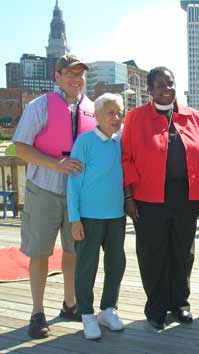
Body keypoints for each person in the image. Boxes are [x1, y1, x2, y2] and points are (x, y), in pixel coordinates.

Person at [121, 67, 199, 330]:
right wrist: (128, 196)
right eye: (160, 85)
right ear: (150, 90)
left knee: (183, 253)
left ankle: (180, 303)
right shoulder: (136, 118)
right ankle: (156, 307)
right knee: (153, 254)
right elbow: (125, 158)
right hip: (148, 199)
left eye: (170, 83)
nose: (167, 89)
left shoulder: (194, 117)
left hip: (186, 197)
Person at [13, 54, 96, 339]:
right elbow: (20, 148)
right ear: (57, 77)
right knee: (40, 252)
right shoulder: (39, 107)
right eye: (70, 74)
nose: (76, 79)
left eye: (80, 74)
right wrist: (55, 164)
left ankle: (70, 304)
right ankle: (37, 312)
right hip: (44, 191)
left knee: (74, 251)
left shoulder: (93, 109)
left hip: (79, 195)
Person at [67, 93, 126, 340]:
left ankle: (107, 309)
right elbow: (73, 182)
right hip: (89, 217)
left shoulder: (121, 142)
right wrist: (74, 218)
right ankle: (87, 314)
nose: (115, 118)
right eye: (110, 113)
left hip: (116, 216)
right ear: (97, 116)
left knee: (116, 264)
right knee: (86, 267)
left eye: (119, 113)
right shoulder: (84, 141)